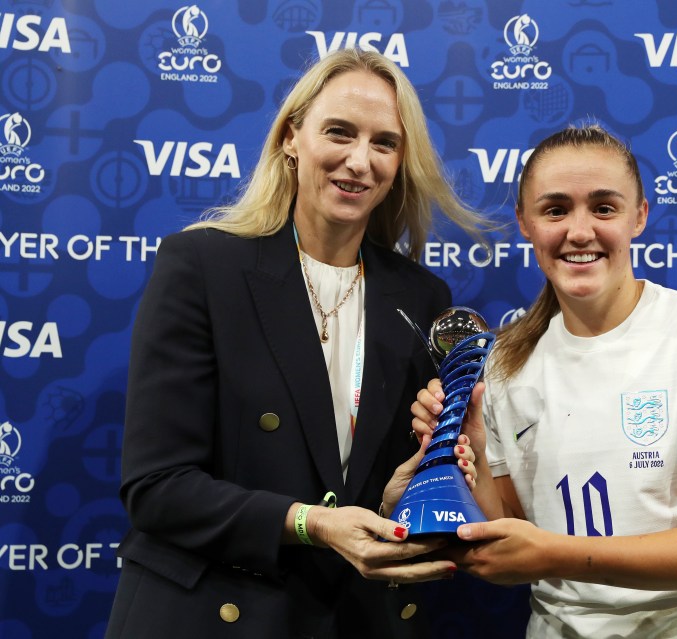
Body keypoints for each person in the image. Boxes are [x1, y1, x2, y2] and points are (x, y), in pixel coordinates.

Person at [106, 48, 484, 639]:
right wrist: (314, 524)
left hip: (348, 620)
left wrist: (399, 499)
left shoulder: (419, 297)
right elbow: (156, 489)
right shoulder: (202, 265)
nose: (360, 161)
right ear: (291, 137)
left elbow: (370, 498)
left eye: (383, 143)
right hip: (213, 616)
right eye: (340, 132)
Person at [412, 124, 677, 638]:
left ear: (640, 216)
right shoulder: (501, 364)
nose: (579, 231)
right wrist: (467, 437)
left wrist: (553, 555)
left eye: (603, 208)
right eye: (555, 209)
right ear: (525, 222)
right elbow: (508, 527)